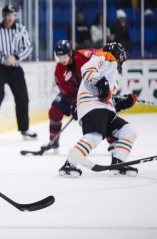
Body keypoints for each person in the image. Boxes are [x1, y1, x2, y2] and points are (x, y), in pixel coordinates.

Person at [58, 42, 138, 177]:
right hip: (92, 105)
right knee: (95, 135)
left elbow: (108, 97)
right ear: (117, 54)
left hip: (103, 108)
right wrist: (101, 83)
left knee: (128, 131)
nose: (121, 61)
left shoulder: (114, 75)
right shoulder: (105, 57)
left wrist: (124, 102)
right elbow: (87, 69)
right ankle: (69, 164)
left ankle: (117, 162)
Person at [0, 5, 36, 140]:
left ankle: (24, 129)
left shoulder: (21, 29)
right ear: (3, 15)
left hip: (16, 69)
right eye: (7, 15)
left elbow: (28, 47)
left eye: (12, 15)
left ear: (15, 16)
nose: (9, 18)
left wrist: (16, 57)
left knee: (23, 98)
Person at [40, 40, 97, 153]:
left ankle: (113, 140)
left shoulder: (83, 56)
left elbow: (101, 54)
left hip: (92, 91)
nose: (62, 59)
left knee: (100, 116)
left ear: (70, 53)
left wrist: (111, 54)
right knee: (54, 110)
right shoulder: (58, 71)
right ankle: (53, 141)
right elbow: (68, 92)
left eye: (64, 56)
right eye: (59, 56)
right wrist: (75, 105)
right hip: (74, 95)